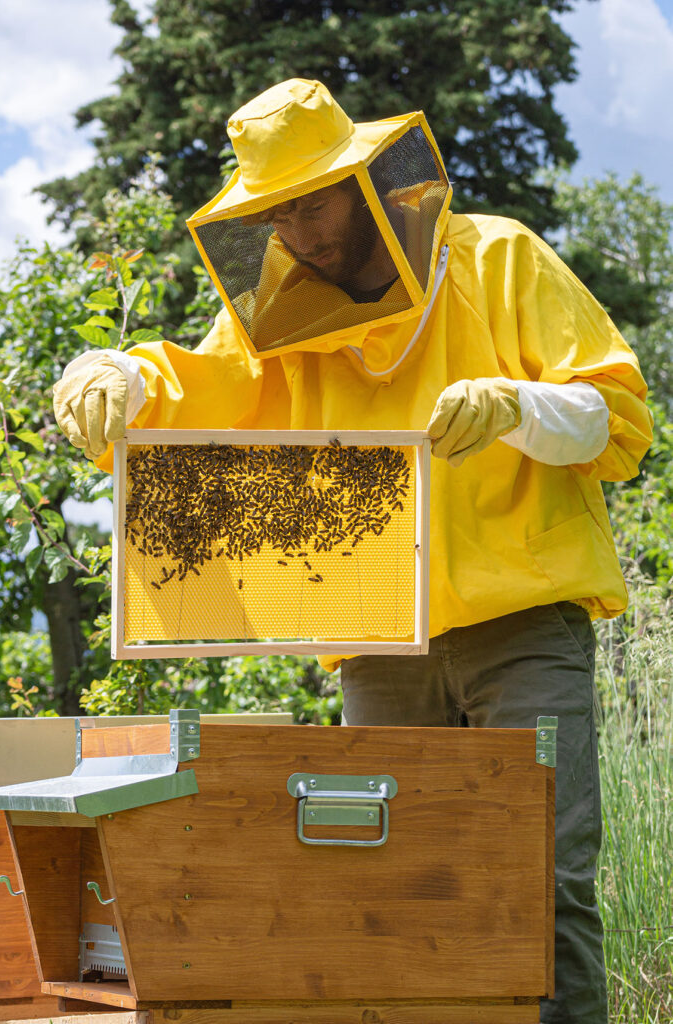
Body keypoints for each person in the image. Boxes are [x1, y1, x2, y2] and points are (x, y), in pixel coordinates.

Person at [53, 79, 653, 1023]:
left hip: (522, 627)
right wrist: (121, 373)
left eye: (313, 200)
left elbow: (616, 422)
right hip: (380, 644)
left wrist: (518, 405)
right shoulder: (279, 313)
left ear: (369, 182)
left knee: (542, 879)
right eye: (275, 211)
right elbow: (209, 390)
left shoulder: (497, 258)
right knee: (395, 886)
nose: (298, 230)